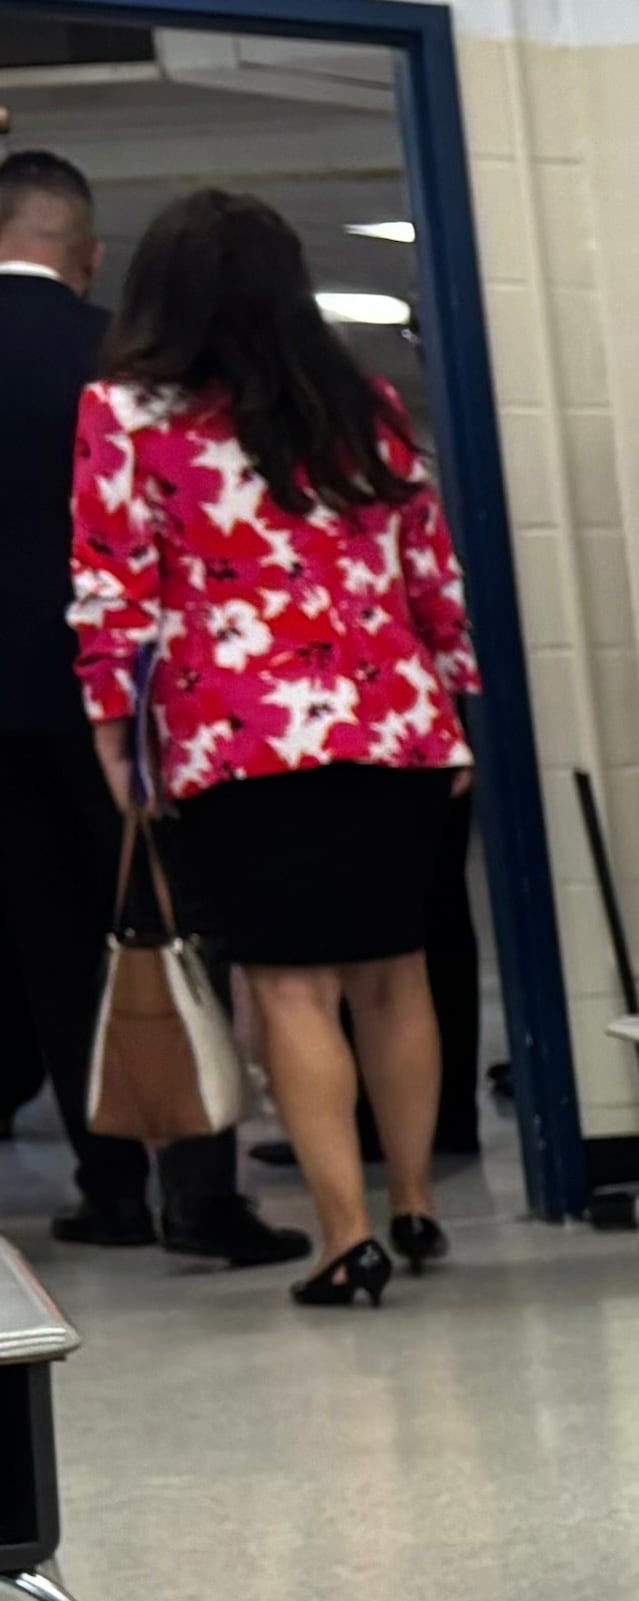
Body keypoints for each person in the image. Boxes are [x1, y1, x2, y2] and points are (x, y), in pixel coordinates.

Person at [68, 192, 471, 1310]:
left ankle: (345, 1241)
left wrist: (118, 741)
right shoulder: (366, 405)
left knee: (291, 990)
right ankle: (415, 1203)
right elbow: (430, 573)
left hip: (241, 739)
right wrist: (455, 709)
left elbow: (114, 595)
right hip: (397, 728)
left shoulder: (126, 414)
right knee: (395, 976)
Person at [0, 154, 291, 1267]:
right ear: (86, 254)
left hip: (1, 716)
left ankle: (106, 1182)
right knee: (170, 931)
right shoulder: (132, 365)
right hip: (129, 700)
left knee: (49, 946)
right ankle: (200, 1189)